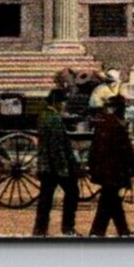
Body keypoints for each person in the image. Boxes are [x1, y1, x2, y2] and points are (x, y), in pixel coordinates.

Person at [88, 96, 134, 236]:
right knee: (109, 202)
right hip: (113, 171)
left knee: (112, 202)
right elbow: (127, 151)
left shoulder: (105, 123)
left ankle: (120, 230)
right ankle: (98, 231)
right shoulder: (115, 125)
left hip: (106, 170)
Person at [33, 89, 80, 236]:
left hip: (46, 165)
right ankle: (68, 227)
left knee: (45, 199)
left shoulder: (44, 116)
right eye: (62, 102)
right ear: (56, 102)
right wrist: (64, 169)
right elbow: (57, 147)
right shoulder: (53, 119)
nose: (63, 106)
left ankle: (40, 229)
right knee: (72, 192)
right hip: (55, 167)